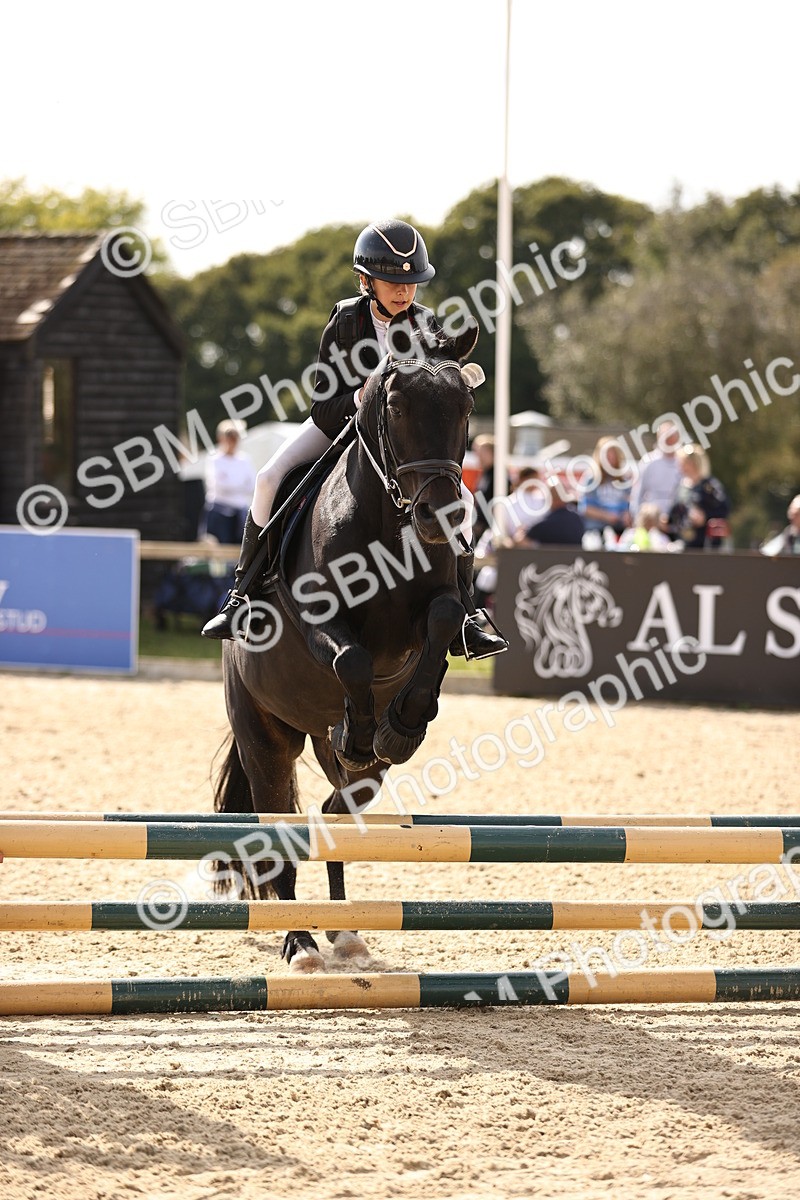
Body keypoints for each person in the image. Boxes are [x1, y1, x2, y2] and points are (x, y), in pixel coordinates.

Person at [202, 219, 507, 658]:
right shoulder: (346, 320)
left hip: (397, 446)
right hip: (338, 428)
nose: (404, 292)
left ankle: (468, 614)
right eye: (393, 282)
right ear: (367, 281)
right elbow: (322, 406)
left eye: (412, 282)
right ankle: (242, 596)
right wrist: (363, 396)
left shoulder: (425, 323)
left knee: (465, 502)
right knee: (269, 478)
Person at [201, 420, 255, 545]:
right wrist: (239, 486)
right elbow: (219, 485)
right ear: (221, 438)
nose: (232, 442)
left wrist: (232, 485)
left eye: (235, 438)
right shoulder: (214, 459)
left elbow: (252, 486)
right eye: (229, 437)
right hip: (219, 514)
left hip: (240, 514)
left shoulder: (245, 460)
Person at [669, 445, 731, 550]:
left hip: (707, 544)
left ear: (693, 463)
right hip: (684, 542)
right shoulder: (681, 487)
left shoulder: (710, 486)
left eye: (684, 463)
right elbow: (674, 512)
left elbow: (724, 508)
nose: (681, 467)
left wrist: (705, 516)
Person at [628, 420, 684, 527]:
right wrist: (637, 519)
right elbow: (637, 493)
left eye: (672, 436)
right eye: (665, 436)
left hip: (676, 524)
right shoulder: (648, 461)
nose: (669, 440)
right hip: (651, 524)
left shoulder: (683, 463)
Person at [578, 437, 632, 539]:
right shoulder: (591, 478)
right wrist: (606, 516)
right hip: (596, 530)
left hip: (620, 530)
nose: (610, 457)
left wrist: (626, 515)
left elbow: (630, 504)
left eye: (612, 453)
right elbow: (584, 508)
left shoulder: (624, 479)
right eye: (607, 454)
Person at [515, 478, 585, 547]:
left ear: (550, 498)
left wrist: (520, 533)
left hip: (546, 558)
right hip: (574, 558)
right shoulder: (578, 520)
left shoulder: (544, 525)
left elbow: (520, 542)